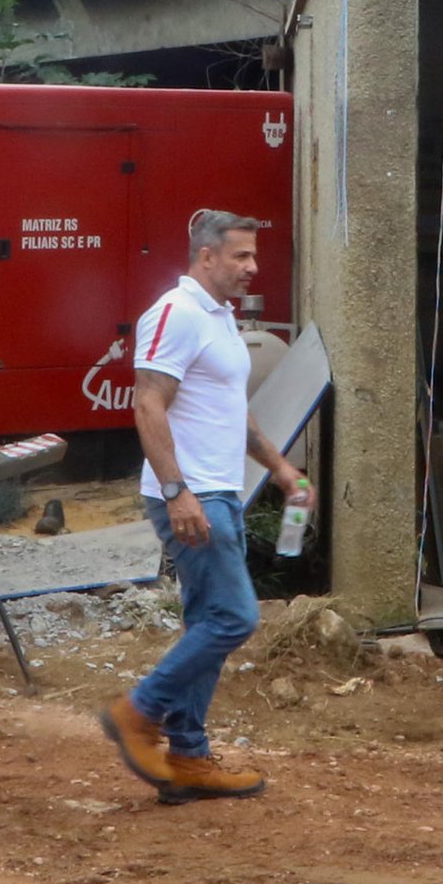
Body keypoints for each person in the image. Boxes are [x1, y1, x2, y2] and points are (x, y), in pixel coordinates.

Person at [96, 208, 310, 804]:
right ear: (207, 256)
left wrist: (279, 467)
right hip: (193, 495)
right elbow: (147, 403)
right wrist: (176, 490)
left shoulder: (219, 317)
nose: (253, 267)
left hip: (219, 491)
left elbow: (230, 408)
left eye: (253, 255)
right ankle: (137, 712)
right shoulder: (177, 312)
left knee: (207, 622)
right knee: (235, 618)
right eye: (241, 255)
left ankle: (188, 757)